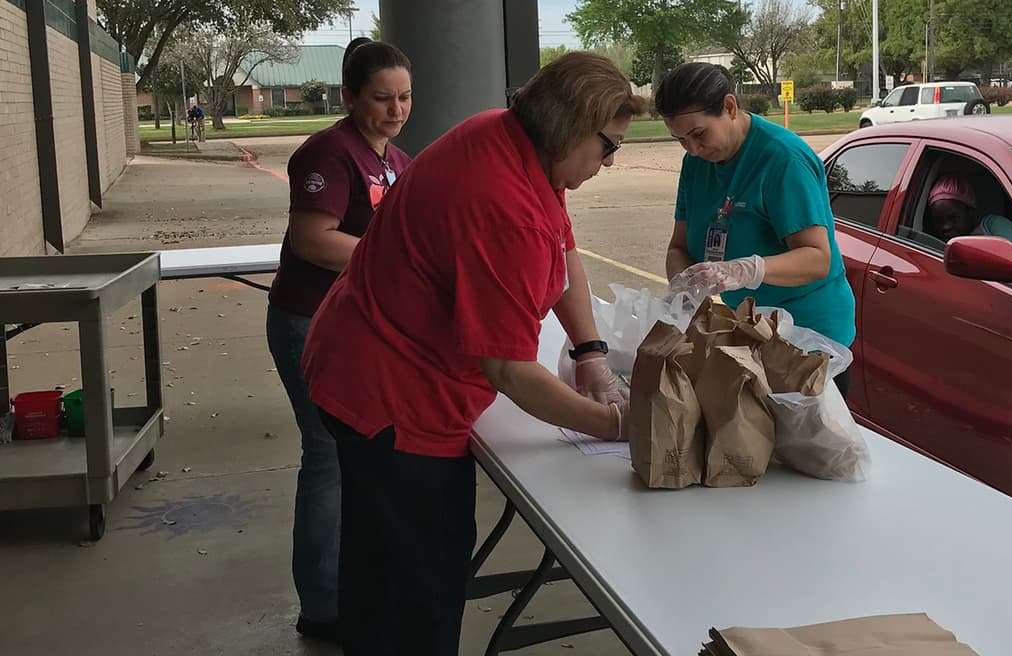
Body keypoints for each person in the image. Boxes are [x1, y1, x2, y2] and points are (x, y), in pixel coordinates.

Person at [301, 51, 642, 654]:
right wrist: (614, 422)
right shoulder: (504, 206)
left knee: (383, 561)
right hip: (393, 398)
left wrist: (590, 352)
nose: (608, 163)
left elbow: (565, 252)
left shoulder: (511, 138)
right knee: (417, 581)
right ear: (570, 128)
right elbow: (509, 369)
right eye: (608, 146)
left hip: (365, 358)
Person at [264, 36, 410, 645]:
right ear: (349, 96)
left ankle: (355, 585)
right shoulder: (328, 152)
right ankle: (323, 606)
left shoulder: (394, 158)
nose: (396, 109)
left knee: (359, 460)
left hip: (359, 328)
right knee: (327, 456)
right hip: (309, 322)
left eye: (404, 96)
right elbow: (313, 240)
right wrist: (396, 261)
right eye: (381, 98)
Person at [656, 62, 857, 394]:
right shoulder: (696, 164)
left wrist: (748, 269)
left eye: (699, 134)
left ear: (730, 107)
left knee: (803, 441)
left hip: (808, 336)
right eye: (680, 140)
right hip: (750, 327)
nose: (692, 149)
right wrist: (683, 287)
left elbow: (817, 258)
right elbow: (679, 248)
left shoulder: (782, 160)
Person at [925, 172, 1012, 261]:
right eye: (938, 221)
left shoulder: (992, 227)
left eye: (953, 219)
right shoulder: (932, 252)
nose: (946, 227)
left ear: (970, 212)